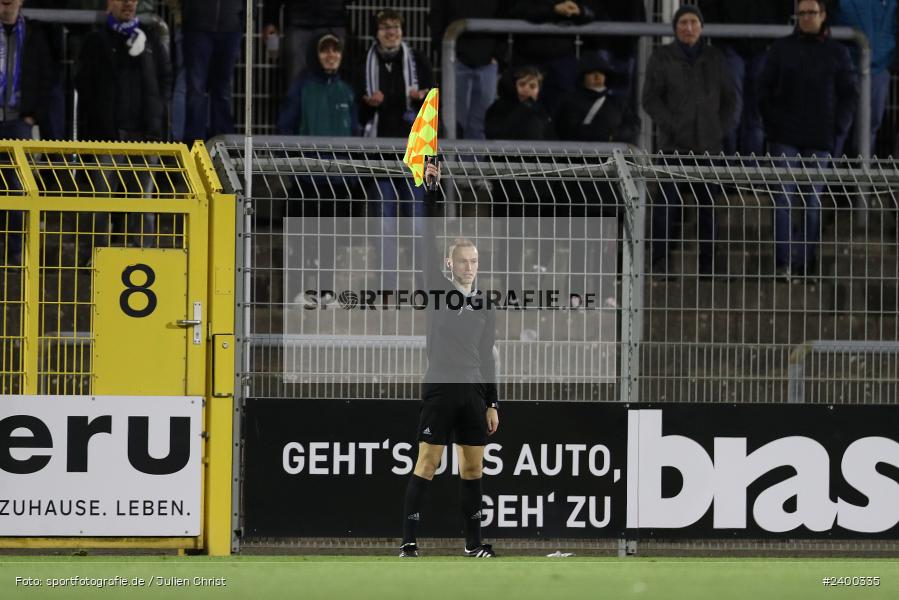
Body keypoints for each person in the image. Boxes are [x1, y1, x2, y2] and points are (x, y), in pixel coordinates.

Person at [399, 159, 499, 559]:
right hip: (441, 386)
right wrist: (431, 191)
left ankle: (474, 545)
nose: (469, 266)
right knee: (427, 462)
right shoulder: (438, 290)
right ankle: (408, 543)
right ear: (449, 265)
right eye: (463, 261)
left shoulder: (487, 303)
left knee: (473, 469)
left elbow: (488, 355)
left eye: (474, 261)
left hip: (473, 391)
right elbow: (427, 239)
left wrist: (492, 401)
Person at [759, 0, 858, 280]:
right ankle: (784, 264)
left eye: (811, 13)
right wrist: (773, 126)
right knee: (784, 199)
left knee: (812, 202)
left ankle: (806, 263)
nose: (806, 18)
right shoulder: (781, 49)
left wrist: (838, 127)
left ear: (823, 15)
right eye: (801, 13)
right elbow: (763, 90)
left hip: (820, 137)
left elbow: (849, 94)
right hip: (785, 136)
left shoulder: (837, 53)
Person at [641, 4, 737, 276]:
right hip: (674, 144)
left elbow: (731, 99)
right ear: (675, 28)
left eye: (694, 22)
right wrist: (671, 123)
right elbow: (650, 98)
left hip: (709, 145)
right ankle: (660, 263)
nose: (689, 27)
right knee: (666, 205)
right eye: (683, 22)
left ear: (702, 27)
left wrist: (719, 129)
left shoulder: (715, 58)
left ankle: (708, 267)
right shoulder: (662, 57)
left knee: (708, 207)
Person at [76, 0, 172, 246]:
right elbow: (84, 85)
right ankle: (94, 257)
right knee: (100, 202)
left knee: (143, 203)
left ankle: (142, 256)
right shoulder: (96, 40)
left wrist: (158, 112)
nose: (128, 3)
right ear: (109, 4)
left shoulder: (150, 39)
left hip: (146, 137)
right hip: (109, 136)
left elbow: (165, 78)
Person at [358, 8, 433, 290]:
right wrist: (368, 103)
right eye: (385, 27)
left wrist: (422, 98)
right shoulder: (364, 62)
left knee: (416, 223)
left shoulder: (416, 60)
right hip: (379, 155)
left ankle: (422, 285)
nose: (391, 32)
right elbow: (360, 109)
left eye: (396, 27)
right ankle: (387, 285)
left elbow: (434, 101)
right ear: (376, 33)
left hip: (412, 152)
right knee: (385, 225)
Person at [697, 1, 794, 157]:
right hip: (732, 44)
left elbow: (785, 8)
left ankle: (746, 174)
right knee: (734, 115)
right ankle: (732, 173)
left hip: (760, 45)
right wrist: (720, 38)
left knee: (752, 117)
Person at [430, 1, 507, 140]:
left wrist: (497, 55)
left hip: (487, 63)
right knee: (454, 122)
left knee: (482, 123)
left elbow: (503, 18)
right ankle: (453, 161)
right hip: (455, 61)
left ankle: (475, 162)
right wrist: (446, 54)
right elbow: (436, 22)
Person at [833, 0, 897, 156]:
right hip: (846, 68)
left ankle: (862, 175)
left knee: (869, 128)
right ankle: (830, 175)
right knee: (839, 127)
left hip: (880, 70)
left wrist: (889, 58)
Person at [509, 1, 595, 115]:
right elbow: (518, 11)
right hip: (529, 60)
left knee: (563, 113)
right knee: (525, 115)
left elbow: (593, 13)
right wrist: (553, 9)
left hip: (563, 61)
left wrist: (580, 10)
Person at [181, 0, 243, 142]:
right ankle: (194, 144)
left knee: (222, 89)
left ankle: (221, 142)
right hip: (198, 25)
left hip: (230, 26)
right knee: (196, 88)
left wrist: (243, 18)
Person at [554, 54, 639, 144]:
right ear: (582, 76)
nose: (598, 76)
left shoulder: (618, 102)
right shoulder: (570, 102)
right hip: (580, 156)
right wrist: (603, 133)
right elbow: (568, 130)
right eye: (592, 72)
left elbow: (633, 126)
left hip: (613, 156)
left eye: (601, 72)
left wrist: (613, 134)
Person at [262, 0, 347, 90]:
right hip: (299, 21)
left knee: (333, 82)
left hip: (332, 21)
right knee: (297, 81)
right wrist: (270, 20)